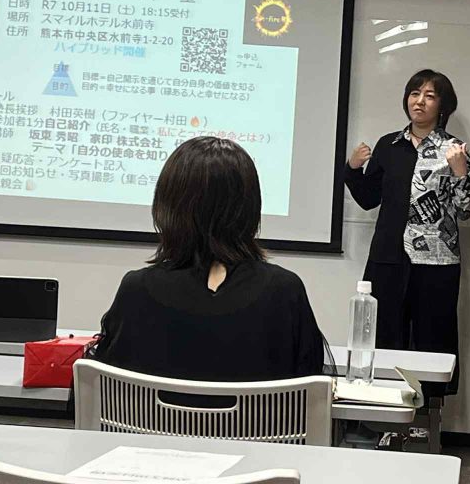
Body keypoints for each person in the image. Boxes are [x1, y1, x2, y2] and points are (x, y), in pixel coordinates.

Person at [92, 136, 329, 383]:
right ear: (249, 207)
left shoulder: (136, 291)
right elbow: (312, 391)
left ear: (167, 206)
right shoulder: (285, 291)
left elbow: (103, 387)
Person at [344, 69, 470, 396]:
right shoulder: (389, 145)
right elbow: (369, 199)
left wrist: (460, 172)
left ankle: (429, 411)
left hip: (437, 262)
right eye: (415, 94)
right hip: (388, 257)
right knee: (383, 335)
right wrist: (353, 169)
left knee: (433, 338)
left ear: (443, 105)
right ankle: (379, 405)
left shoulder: (454, 150)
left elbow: (466, 210)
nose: (419, 101)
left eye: (429, 96)